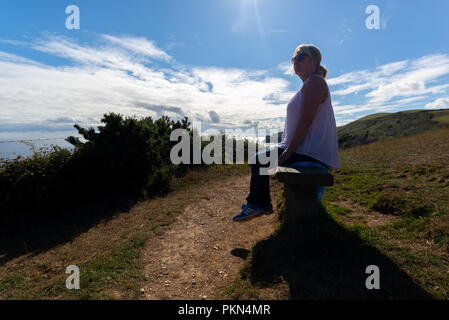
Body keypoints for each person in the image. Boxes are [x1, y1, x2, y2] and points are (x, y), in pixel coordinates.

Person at [233, 44, 340, 222]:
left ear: (314, 61)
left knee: (259, 159)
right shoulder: (309, 84)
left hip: (310, 152)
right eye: (293, 59)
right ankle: (260, 203)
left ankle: (259, 204)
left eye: (300, 57)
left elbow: (306, 120)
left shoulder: (315, 82)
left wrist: (288, 151)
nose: (295, 61)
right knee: (259, 158)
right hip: (305, 149)